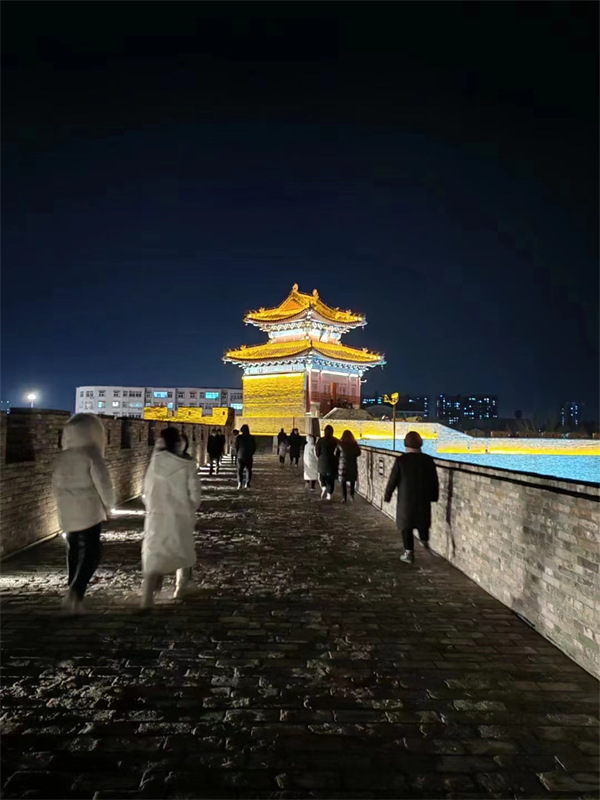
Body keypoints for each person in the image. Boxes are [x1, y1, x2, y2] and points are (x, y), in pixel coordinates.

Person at [52, 413, 115, 614]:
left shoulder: (62, 457)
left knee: (73, 551)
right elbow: (103, 484)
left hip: (67, 512)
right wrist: (109, 505)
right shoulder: (91, 454)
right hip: (89, 512)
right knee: (92, 552)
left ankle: (72, 587)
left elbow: (55, 485)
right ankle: (76, 591)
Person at [141, 427, 202, 608]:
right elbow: (195, 495)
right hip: (180, 516)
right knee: (182, 550)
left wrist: (152, 507)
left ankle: (147, 598)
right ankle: (180, 588)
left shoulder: (155, 462)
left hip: (156, 517)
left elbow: (146, 490)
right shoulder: (187, 465)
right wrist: (189, 508)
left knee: (153, 554)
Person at [384, 431, 439, 563]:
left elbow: (393, 480)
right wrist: (434, 496)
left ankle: (409, 553)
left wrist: (387, 495)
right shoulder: (428, 460)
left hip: (406, 500)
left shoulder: (401, 460)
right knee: (422, 522)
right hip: (423, 499)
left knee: (406, 526)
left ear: (405, 444)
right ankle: (424, 542)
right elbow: (434, 481)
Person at [315, 425, 339, 500]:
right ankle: (329, 494)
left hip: (322, 463)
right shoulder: (335, 441)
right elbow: (339, 451)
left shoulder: (320, 441)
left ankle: (324, 487)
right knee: (331, 480)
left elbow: (317, 452)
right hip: (332, 463)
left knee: (322, 477)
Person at [338, 429, 361, 503]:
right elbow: (358, 453)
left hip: (343, 466)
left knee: (343, 482)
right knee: (352, 481)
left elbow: (335, 453)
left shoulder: (340, 444)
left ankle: (344, 498)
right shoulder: (354, 444)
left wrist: (341, 457)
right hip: (352, 465)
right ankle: (351, 496)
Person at [236, 423, 256, 489]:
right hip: (248, 456)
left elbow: (236, 446)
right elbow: (254, 447)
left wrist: (238, 453)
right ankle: (247, 483)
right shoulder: (251, 438)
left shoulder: (239, 438)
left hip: (240, 456)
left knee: (240, 470)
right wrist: (251, 453)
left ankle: (240, 483)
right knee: (248, 470)